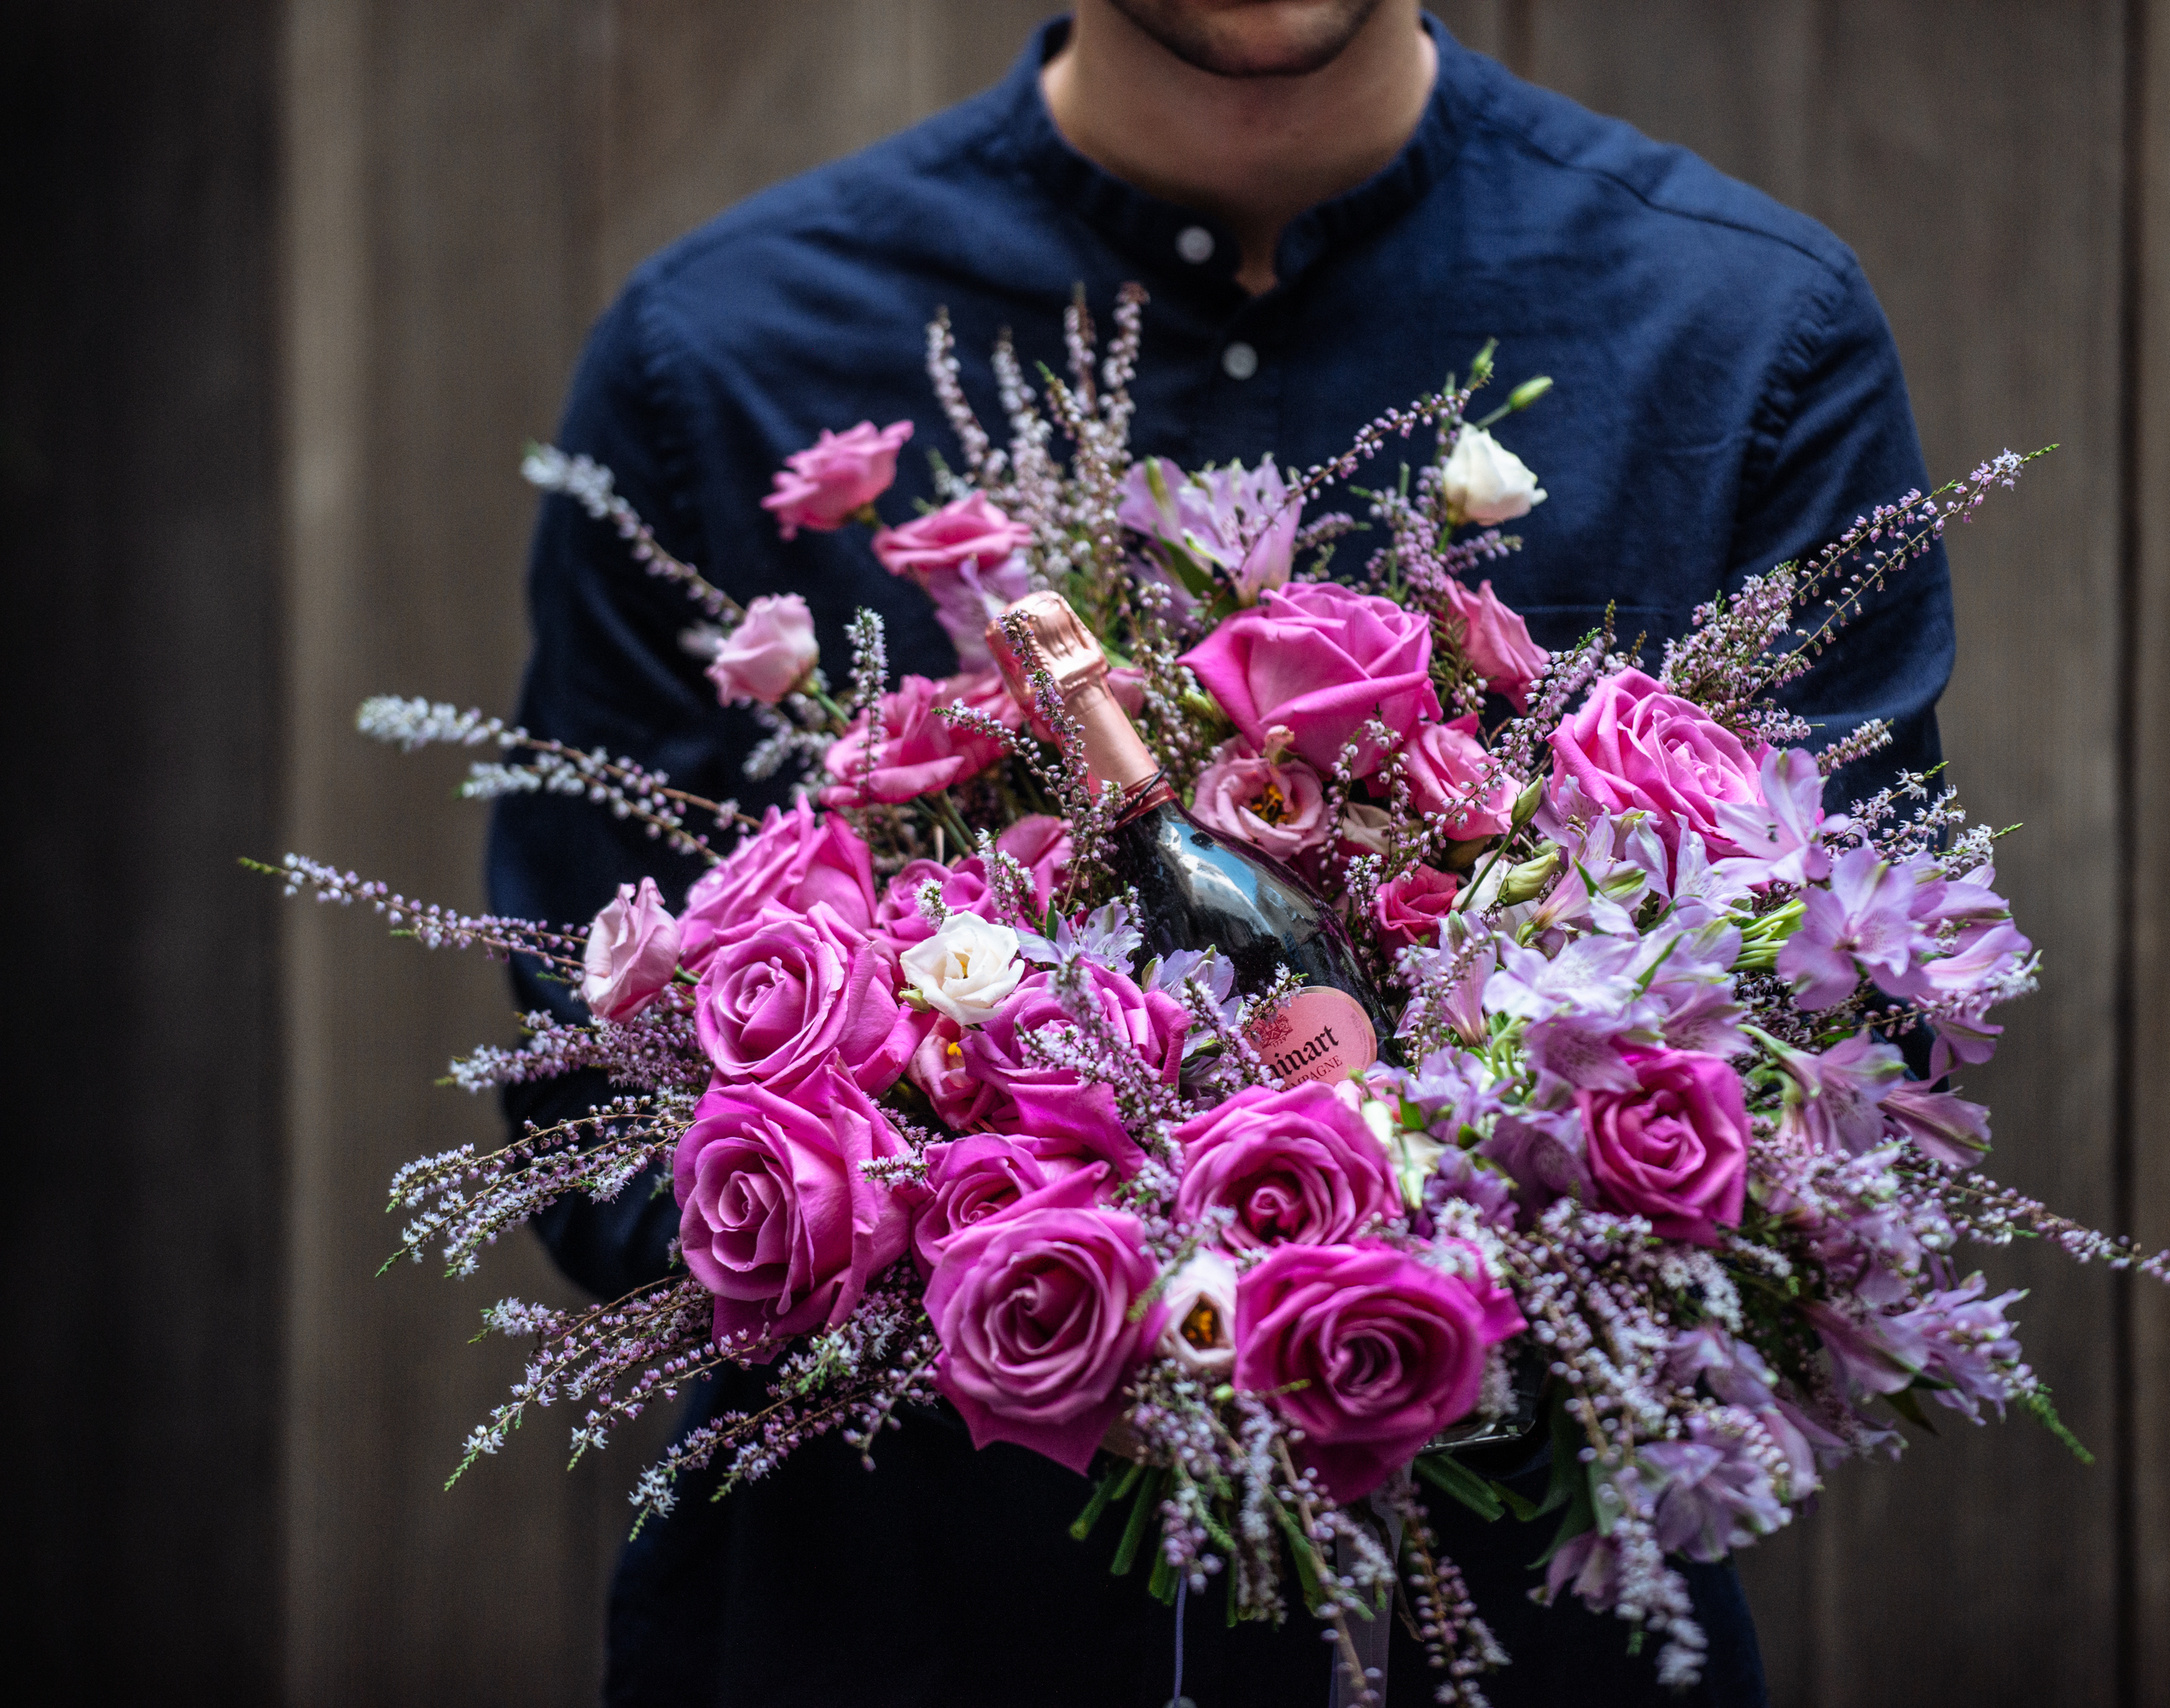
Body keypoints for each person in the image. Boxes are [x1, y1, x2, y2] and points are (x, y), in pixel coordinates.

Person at [491, 4, 1952, 1704]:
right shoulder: (721, 351)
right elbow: (590, 1119)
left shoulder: (1743, 327)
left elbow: (1857, 1046)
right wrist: (998, 1218)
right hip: (889, 1636)